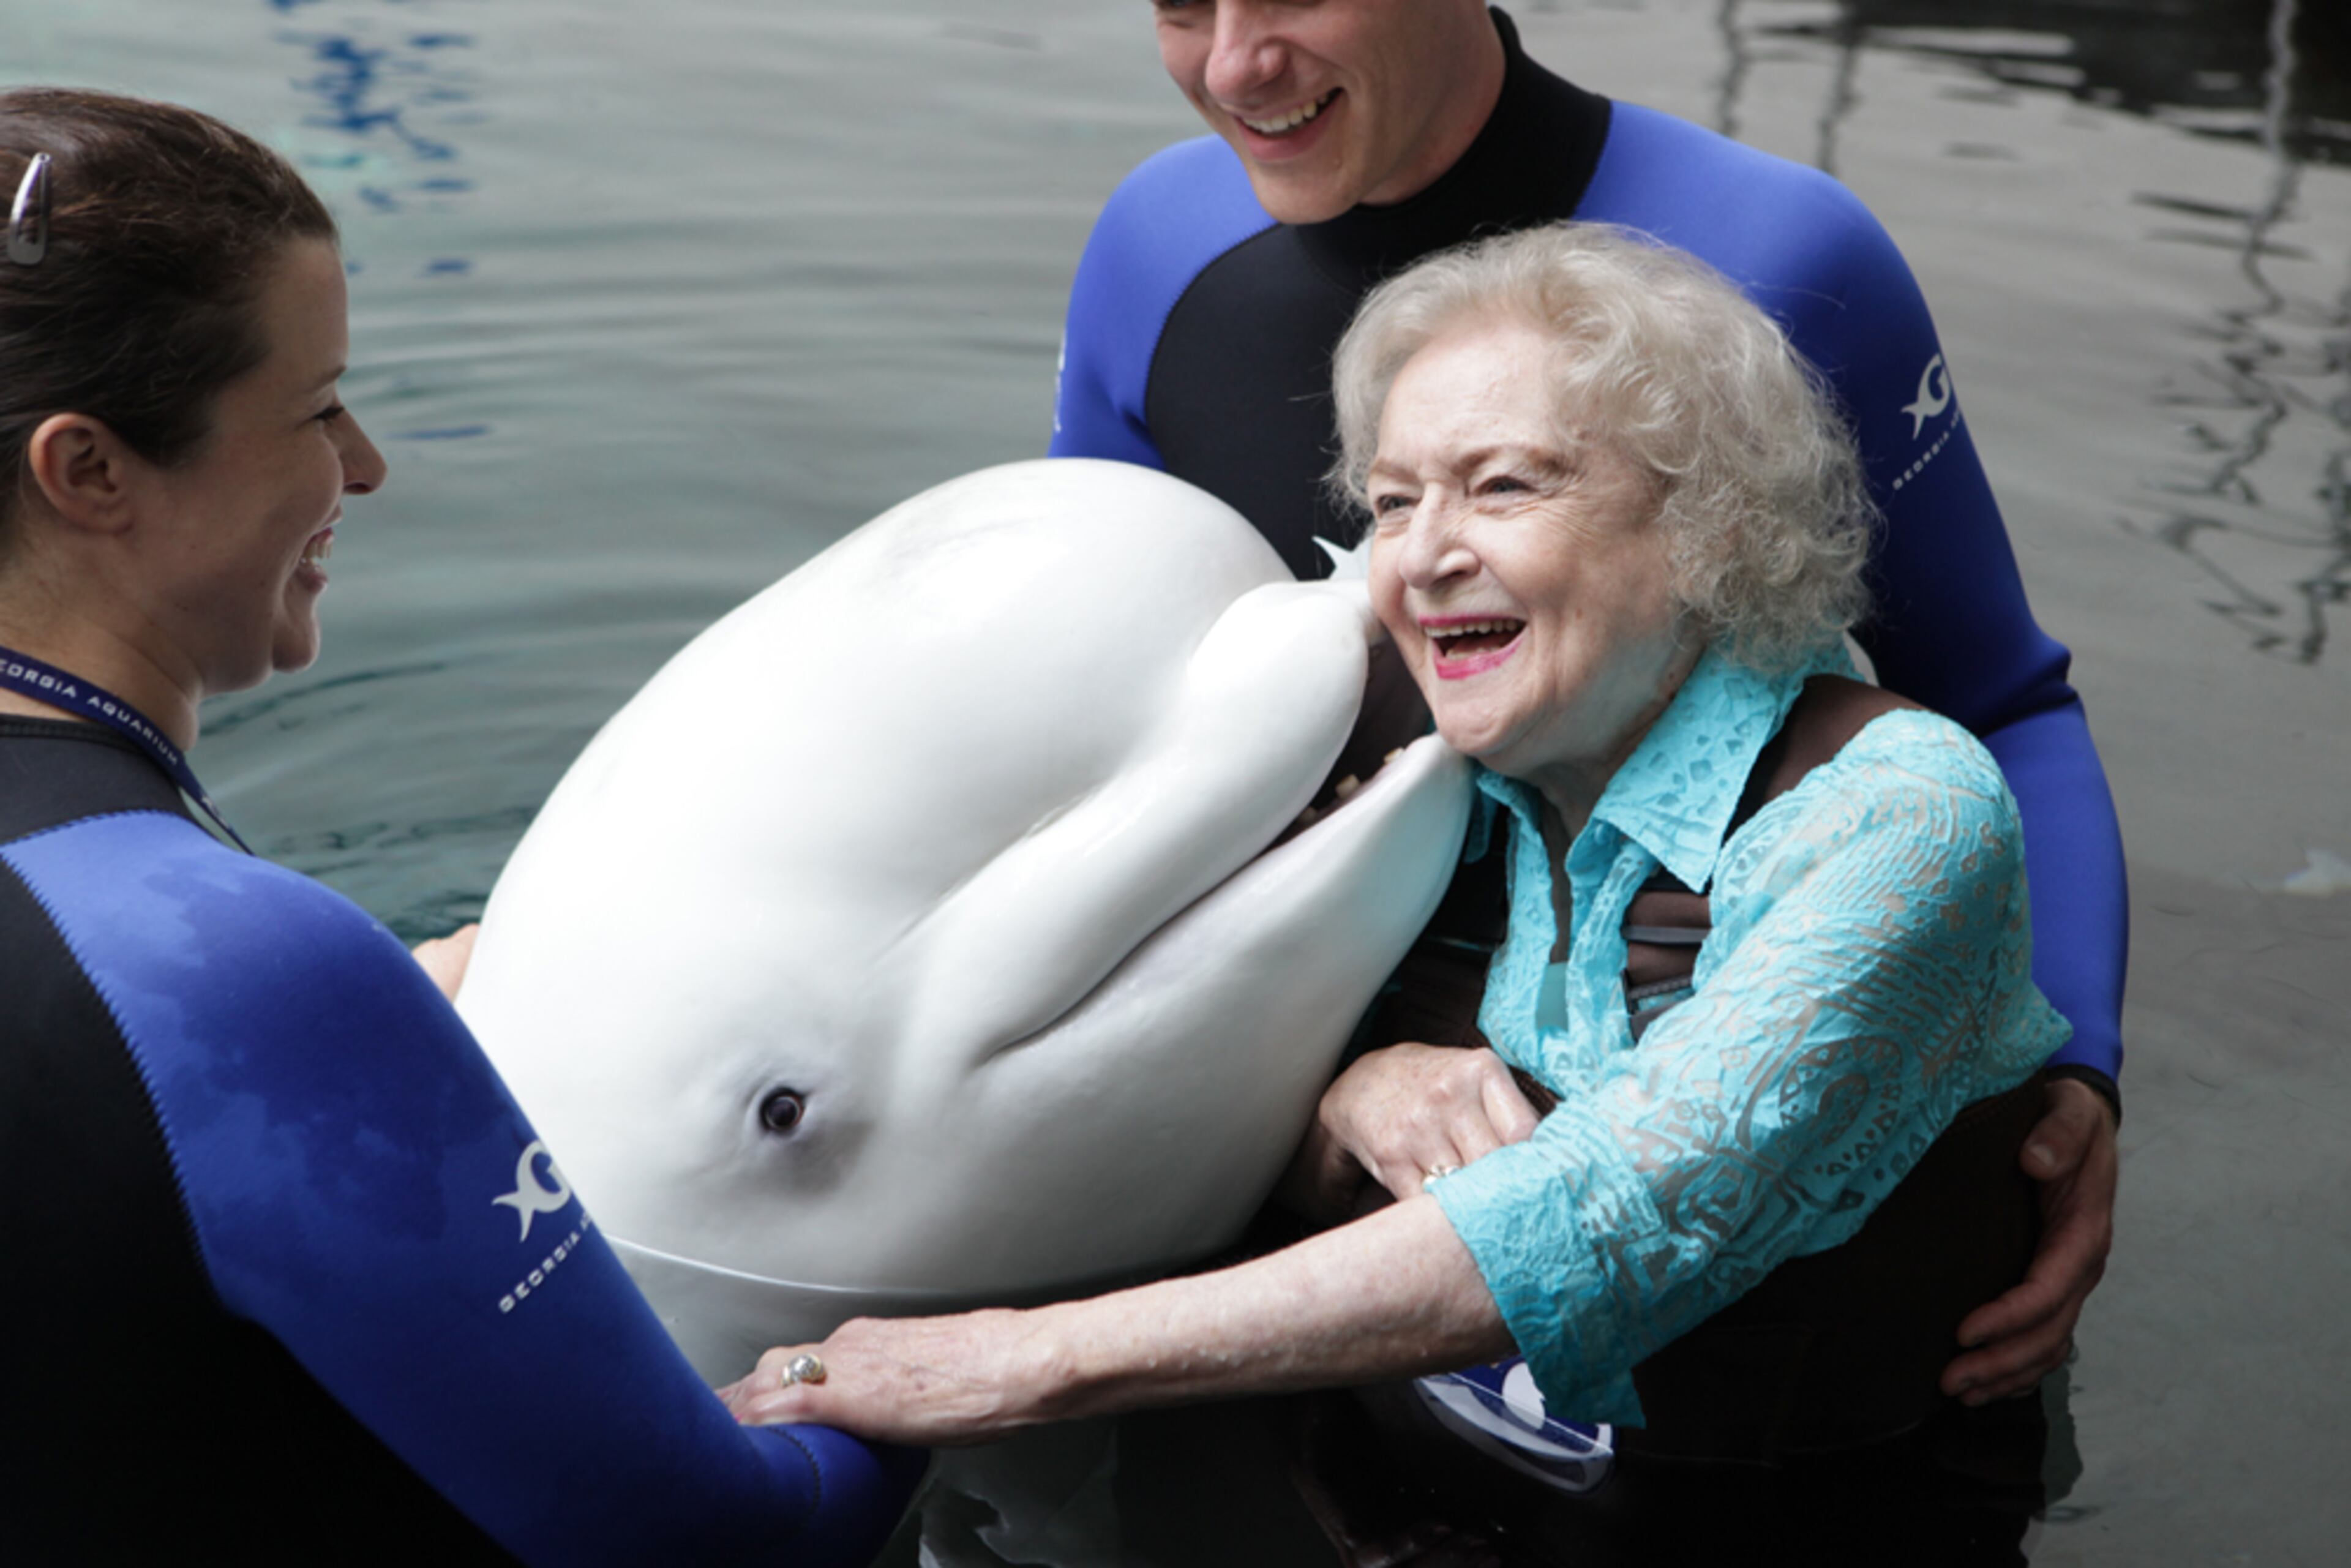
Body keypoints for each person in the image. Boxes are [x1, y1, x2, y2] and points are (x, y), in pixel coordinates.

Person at [730, 223, 2072, 1564]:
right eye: (1389, 503)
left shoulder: (1896, 813)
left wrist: (1017, 1367)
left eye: (1502, 488)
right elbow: (1197, 1116)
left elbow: (1614, 1225)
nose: (1422, 559)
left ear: (1701, 524)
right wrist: (1340, 1105)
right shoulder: (1408, 769)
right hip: (1374, 1498)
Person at [1049, 0, 2120, 1405]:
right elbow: (1097, 746)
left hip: (1726, 1147)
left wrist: (2080, 1077)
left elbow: (2002, 701)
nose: (1237, 64)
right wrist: (1328, 1095)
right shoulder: (1158, 250)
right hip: (1318, 1144)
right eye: (1186, 3)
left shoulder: (1785, 256)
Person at [0, 90, 918, 1562]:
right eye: (312, 411)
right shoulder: (226, 972)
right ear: (89, 471)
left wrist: (364, 1040)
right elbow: (712, 1541)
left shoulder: (170, 968)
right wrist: (934, 1366)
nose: (361, 466)